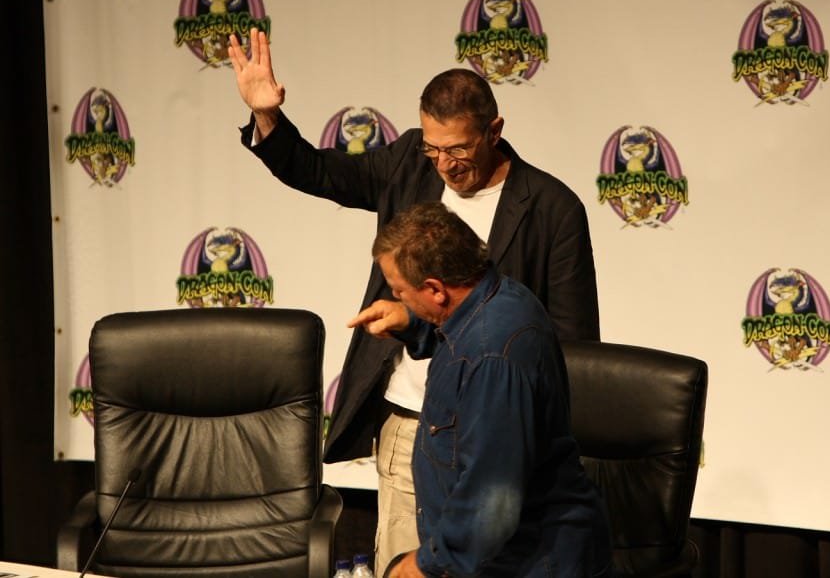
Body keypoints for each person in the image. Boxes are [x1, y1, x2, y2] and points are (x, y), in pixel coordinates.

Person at [226, 28, 600, 571]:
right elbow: (318, 171)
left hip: (495, 434)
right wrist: (266, 117)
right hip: (412, 427)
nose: (444, 165)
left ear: (494, 130)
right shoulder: (409, 163)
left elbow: (572, 344)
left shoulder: (552, 208)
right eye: (433, 148)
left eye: (458, 148)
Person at [350, 202, 611, 578]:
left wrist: (427, 564)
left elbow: (495, 499)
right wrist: (413, 321)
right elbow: (461, 344)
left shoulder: (493, 360)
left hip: (531, 564)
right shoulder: (494, 300)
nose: (398, 298)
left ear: (436, 289)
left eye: (401, 291)